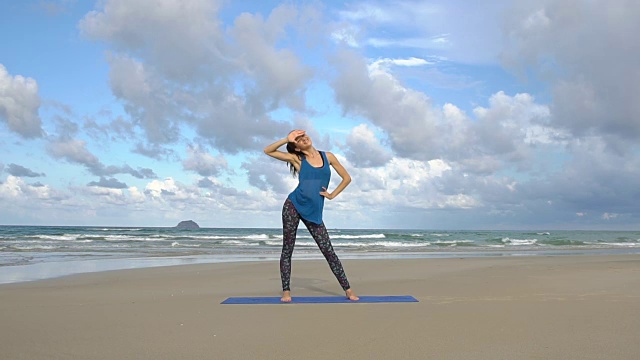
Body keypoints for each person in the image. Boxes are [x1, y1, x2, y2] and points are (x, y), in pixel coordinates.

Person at [264, 129, 359, 302]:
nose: (303, 138)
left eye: (303, 136)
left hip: (314, 212)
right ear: (297, 148)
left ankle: (348, 290)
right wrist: (287, 139)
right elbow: (268, 151)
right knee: (288, 249)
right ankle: (286, 292)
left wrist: (332, 195)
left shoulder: (328, 157)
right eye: (299, 140)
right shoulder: (298, 159)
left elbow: (346, 178)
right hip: (293, 206)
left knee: (328, 251)